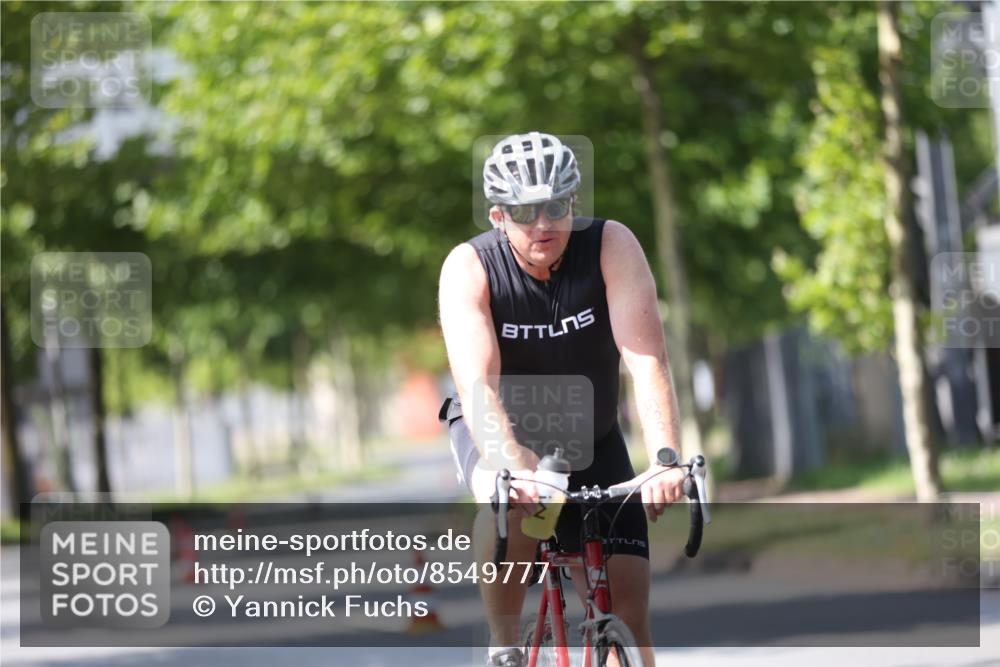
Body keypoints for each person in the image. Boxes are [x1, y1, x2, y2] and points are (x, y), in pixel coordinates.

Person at [438, 132, 687, 667]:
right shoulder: (469, 267)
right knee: (512, 503)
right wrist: (514, 468)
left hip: (589, 432)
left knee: (629, 612)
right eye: (524, 212)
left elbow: (647, 360)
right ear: (499, 215)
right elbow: (479, 386)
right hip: (497, 427)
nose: (542, 224)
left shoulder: (610, 245)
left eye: (555, 207)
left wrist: (666, 458)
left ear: (572, 203)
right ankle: (504, 644)